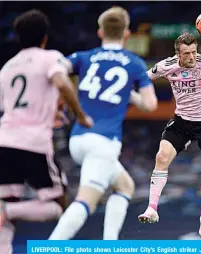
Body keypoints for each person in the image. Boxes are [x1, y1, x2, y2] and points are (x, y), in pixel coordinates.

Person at [48, 6, 158, 240]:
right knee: (86, 199)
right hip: (104, 141)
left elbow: (57, 70)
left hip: (78, 137)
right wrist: (131, 93)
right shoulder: (134, 63)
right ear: (127, 34)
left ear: (100, 32)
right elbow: (150, 105)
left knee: (124, 185)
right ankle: (52, 245)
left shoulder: (83, 57)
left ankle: (110, 243)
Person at [0, 9, 91, 252]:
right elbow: (61, 82)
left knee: (9, 205)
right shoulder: (51, 58)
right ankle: (6, 210)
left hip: (4, 141)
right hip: (33, 143)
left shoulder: (7, 68)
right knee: (59, 205)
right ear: (45, 37)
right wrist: (80, 116)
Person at [138, 32, 201, 238]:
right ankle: (152, 208)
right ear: (178, 54)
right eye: (187, 54)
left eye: (194, 52)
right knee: (161, 157)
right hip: (182, 122)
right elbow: (141, 79)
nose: (192, 57)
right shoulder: (167, 66)